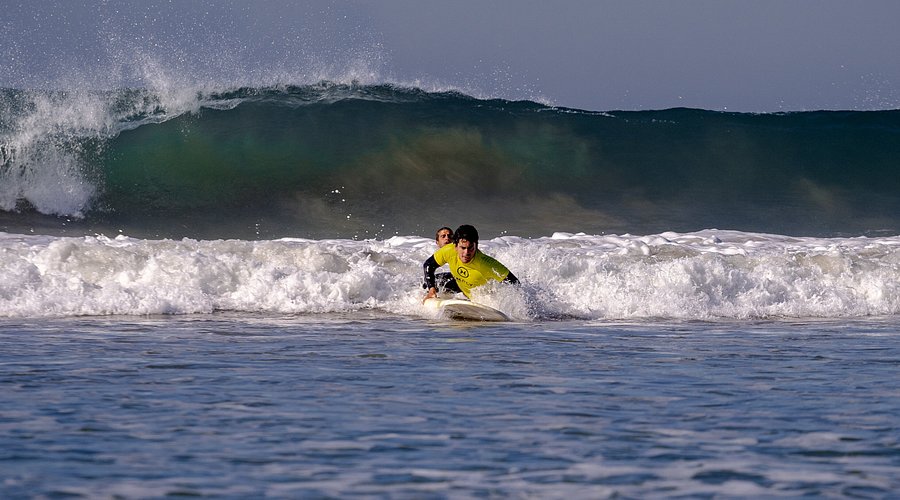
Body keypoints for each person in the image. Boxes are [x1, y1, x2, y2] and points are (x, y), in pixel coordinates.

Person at [423, 224, 519, 301]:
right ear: (455, 246)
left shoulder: (487, 264)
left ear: (476, 246)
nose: (466, 253)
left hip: (480, 296)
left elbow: (515, 284)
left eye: (470, 248)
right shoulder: (448, 251)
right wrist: (432, 289)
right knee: (429, 283)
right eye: (463, 248)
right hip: (460, 283)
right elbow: (428, 265)